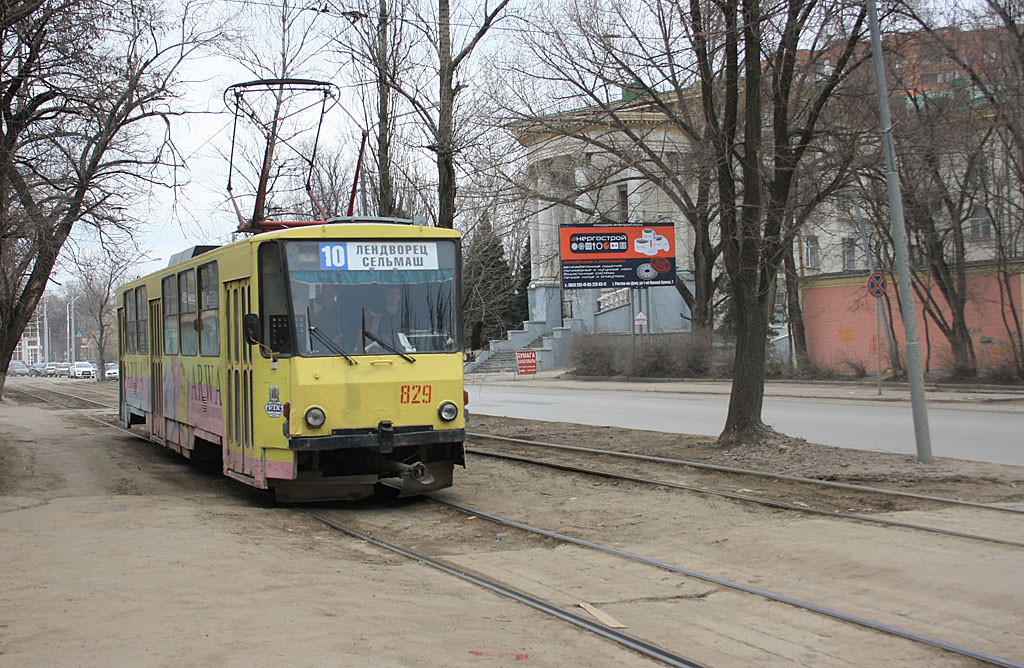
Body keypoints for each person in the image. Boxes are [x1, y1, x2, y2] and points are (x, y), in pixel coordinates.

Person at [309, 283, 344, 349]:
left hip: (335, 346)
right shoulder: (312, 304)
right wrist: (315, 313)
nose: (330, 295)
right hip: (317, 344)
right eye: (327, 291)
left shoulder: (339, 307)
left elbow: (341, 326)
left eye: (332, 292)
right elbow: (307, 325)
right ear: (322, 291)